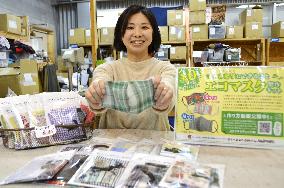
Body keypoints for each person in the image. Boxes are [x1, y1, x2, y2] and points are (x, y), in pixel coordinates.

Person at [85, 4, 176, 131]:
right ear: (121, 34)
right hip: (112, 146)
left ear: (153, 33)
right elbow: (100, 82)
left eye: (144, 27)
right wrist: (96, 95)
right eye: (130, 27)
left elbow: (169, 88)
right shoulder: (106, 69)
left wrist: (165, 96)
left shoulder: (165, 68)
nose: (137, 34)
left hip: (153, 146)